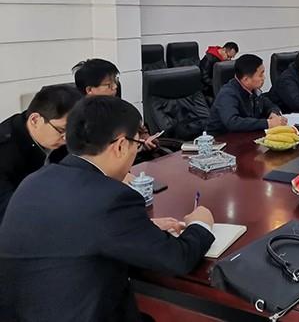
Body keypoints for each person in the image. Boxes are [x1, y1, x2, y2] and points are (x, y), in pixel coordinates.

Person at [0, 96, 215, 321]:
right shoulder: (111, 198)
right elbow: (177, 259)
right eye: (136, 145)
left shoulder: (34, 181)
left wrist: (137, 229)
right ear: (120, 146)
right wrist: (200, 224)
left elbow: (73, 230)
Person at [0, 85, 82, 222]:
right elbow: (8, 213)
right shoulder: (5, 152)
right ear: (35, 120)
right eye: (61, 130)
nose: (67, 139)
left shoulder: (57, 135)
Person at [74, 59, 159, 154]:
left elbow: (141, 131)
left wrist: (146, 139)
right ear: (89, 90)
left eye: (115, 81)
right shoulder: (82, 120)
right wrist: (135, 146)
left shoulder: (124, 109)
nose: (115, 87)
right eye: (108, 85)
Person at [208, 54, 286, 133]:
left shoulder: (253, 90)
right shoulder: (227, 94)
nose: (264, 78)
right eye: (260, 75)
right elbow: (232, 122)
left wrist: (273, 113)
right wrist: (267, 123)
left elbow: (268, 104)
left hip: (246, 135)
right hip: (222, 138)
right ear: (246, 80)